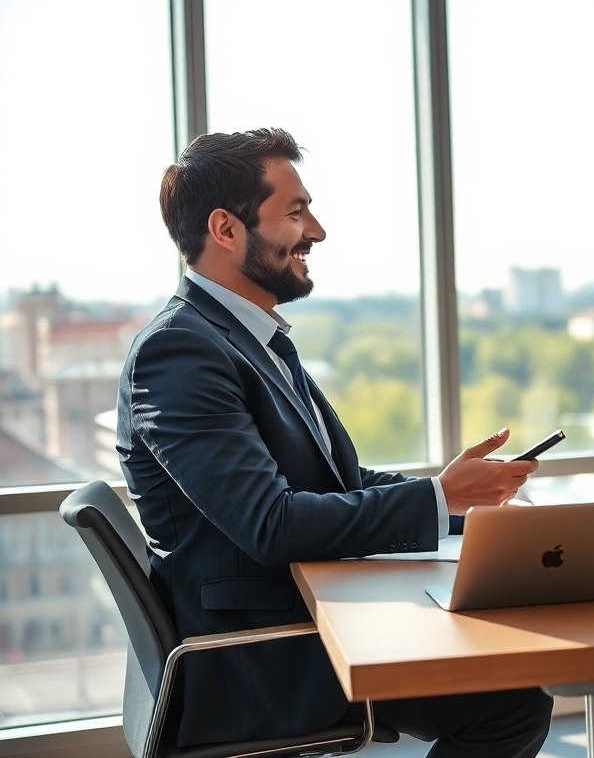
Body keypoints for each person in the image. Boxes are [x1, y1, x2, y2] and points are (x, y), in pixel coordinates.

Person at [118, 128, 552, 756]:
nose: (316, 231)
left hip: (308, 621)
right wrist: (437, 499)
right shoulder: (179, 351)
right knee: (509, 703)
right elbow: (270, 523)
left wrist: (459, 504)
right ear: (225, 228)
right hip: (263, 655)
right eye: (295, 212)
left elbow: (335, 483)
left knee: (504, 678)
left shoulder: (253, 339)